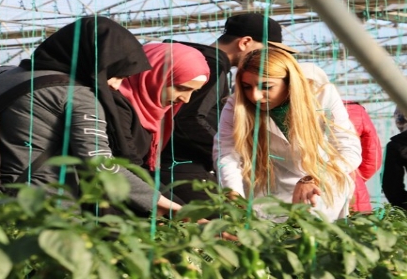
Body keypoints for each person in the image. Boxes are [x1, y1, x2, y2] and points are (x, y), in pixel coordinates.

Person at [0, 16, 183, 216]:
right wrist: (167, 205)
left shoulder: (0, 78)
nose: (115, 85)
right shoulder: (77, 94)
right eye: (116, 75)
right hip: (45, 205)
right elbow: (99, 163)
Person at [160, 13, 298, 204]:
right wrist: (227, 149)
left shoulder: (189, 59)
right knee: (220, 223)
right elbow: (188, 119)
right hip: (183, 167)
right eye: (265, 51)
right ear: (245, 42)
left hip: (170, 162)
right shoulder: (211, 66)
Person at [214, 48, 362, 222]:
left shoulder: (322, 96)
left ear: (290, 82)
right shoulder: (236, 105)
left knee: (316, 241)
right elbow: (227, 155)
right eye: (247, 87)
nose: (255, 96)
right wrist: (235, 197)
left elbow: (349, 149)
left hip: (319, 190)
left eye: (267, 86)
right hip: (268, 193)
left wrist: (313, 179)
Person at [299, 62, 382, 213]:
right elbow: (372, 157)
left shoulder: (295, 112)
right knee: (356, 232)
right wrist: (353, 175)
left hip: (304, 189)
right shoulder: (355, 110)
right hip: (349, 185)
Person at [117, 43, 210, 172]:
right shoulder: (117, 106)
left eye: (193, 92)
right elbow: (127, 163)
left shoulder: (152, 114)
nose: (186, 99)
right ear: (153, 75)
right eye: (181, 88)